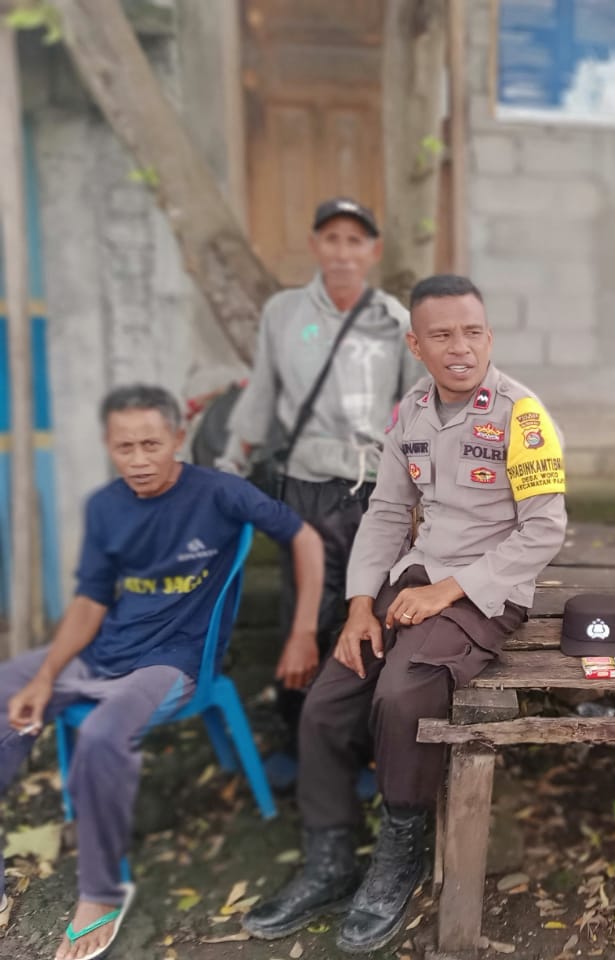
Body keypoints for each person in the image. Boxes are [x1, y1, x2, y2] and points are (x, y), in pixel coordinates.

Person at [244, 274, 568, 952]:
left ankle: (401, 852)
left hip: (486, 593)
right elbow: (388, 511)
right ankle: (331, 858)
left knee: (402, 693)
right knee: (326, 701)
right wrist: (361, 605)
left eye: (472, 332)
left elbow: (543, 530)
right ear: (415, 345)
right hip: (409, 583)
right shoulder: (412, 411)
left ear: (490, 337)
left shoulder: (521, 415)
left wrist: (448, 591)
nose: (460, 348)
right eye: (442, 335)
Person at [1, 385, 323, 960]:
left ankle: (100, 892)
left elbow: (303, 539)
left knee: (102, 731)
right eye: (124, 447)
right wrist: (47, 672)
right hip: (104, 648)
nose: (139, 460)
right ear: (108, 446)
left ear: (178, 437)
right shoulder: (106, 506)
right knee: (8, 689)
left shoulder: (220, 492)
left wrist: (302, 631)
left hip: (174, 661)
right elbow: (90, 601)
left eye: (151, 444)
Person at [219, 197, 418, 790]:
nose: (342, 252)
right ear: (315, 246)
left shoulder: (395, 321)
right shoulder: (284, 313)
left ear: (373, 252)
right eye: (332, 239)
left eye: (355, 241)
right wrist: (230, 463)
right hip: (304, 489)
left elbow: (415, 410)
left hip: (373, 492)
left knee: (366, 617)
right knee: (302, 616)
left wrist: (422, 491)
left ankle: (359, 750)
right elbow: (262, 394)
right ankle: (298, 744)